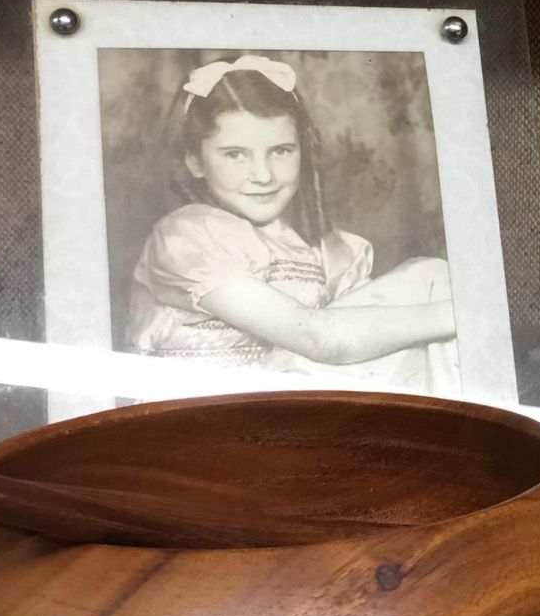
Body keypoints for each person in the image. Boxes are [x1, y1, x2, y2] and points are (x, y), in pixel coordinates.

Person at [126, 53, 458, 389]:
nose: (263, 175)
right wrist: (464, 316)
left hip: (287, 408)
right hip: (204, 416)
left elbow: (368, 348)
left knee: (431, 277)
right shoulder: (187, 236)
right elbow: (318, 338)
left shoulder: (329, 250)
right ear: (195, 162)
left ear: (304, 151)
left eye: (281, 151)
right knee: (436, 294)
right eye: (235, 154)